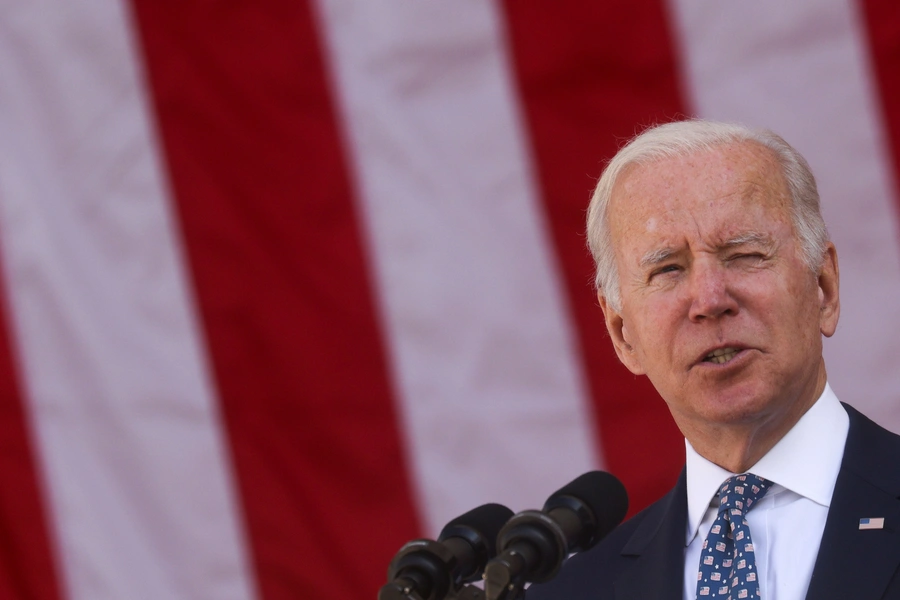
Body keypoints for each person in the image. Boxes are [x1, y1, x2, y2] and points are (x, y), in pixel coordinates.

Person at [525, 120, 900, 600]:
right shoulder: (572, 593)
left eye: (743, 254)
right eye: (667, 270)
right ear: (623, 335)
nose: (709, 299)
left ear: (823, 288)